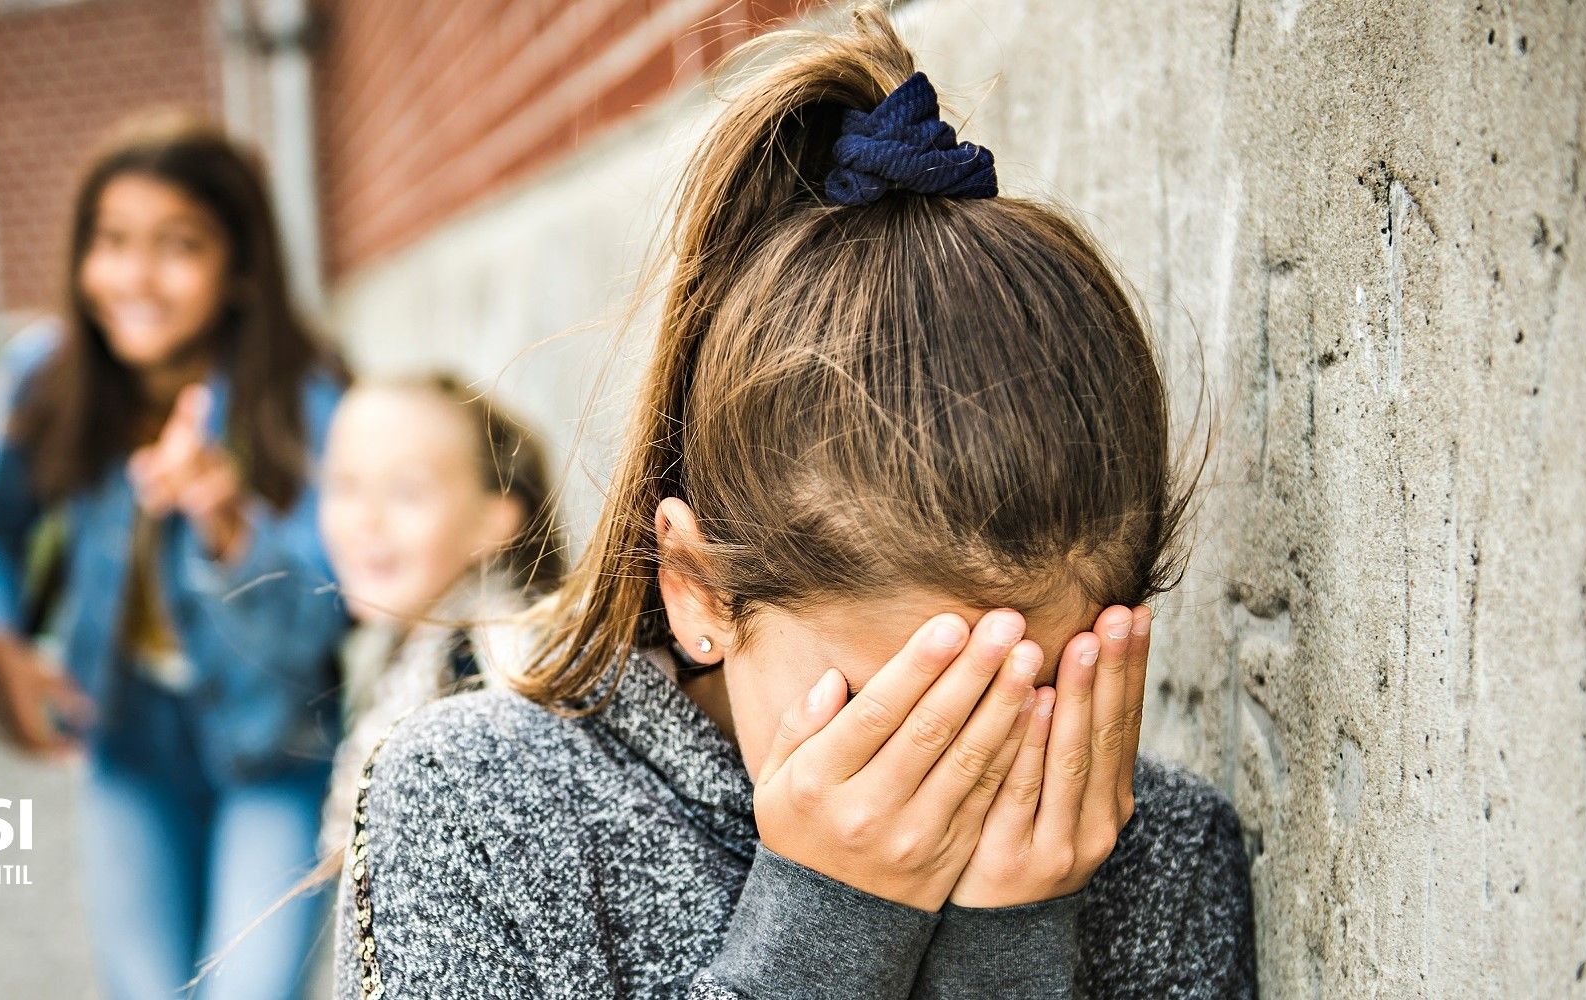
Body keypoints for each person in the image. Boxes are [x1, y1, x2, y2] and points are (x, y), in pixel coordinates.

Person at [336, 10, 1256, 1000]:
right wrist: (823, 930)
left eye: (1023, 697)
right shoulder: (483, 805)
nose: (954, 767)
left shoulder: (1159, 853)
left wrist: (1012, 948)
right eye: (892, 709)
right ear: (695, 588)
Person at [0, 110, 348, 1000]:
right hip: (126, 746)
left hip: (273, 750)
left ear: (241, 269)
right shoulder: (45, 377)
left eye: (179, 246)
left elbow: (327, 614)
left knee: (247, 991)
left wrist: (225, 522)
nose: (135, 275)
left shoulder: (305, 396)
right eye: (112, 241)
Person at [314, 374, 566, 855]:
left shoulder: (495, 667)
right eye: (344, 485)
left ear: (494, 522)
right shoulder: (402, 648)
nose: (365, 519)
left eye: (406, 492)